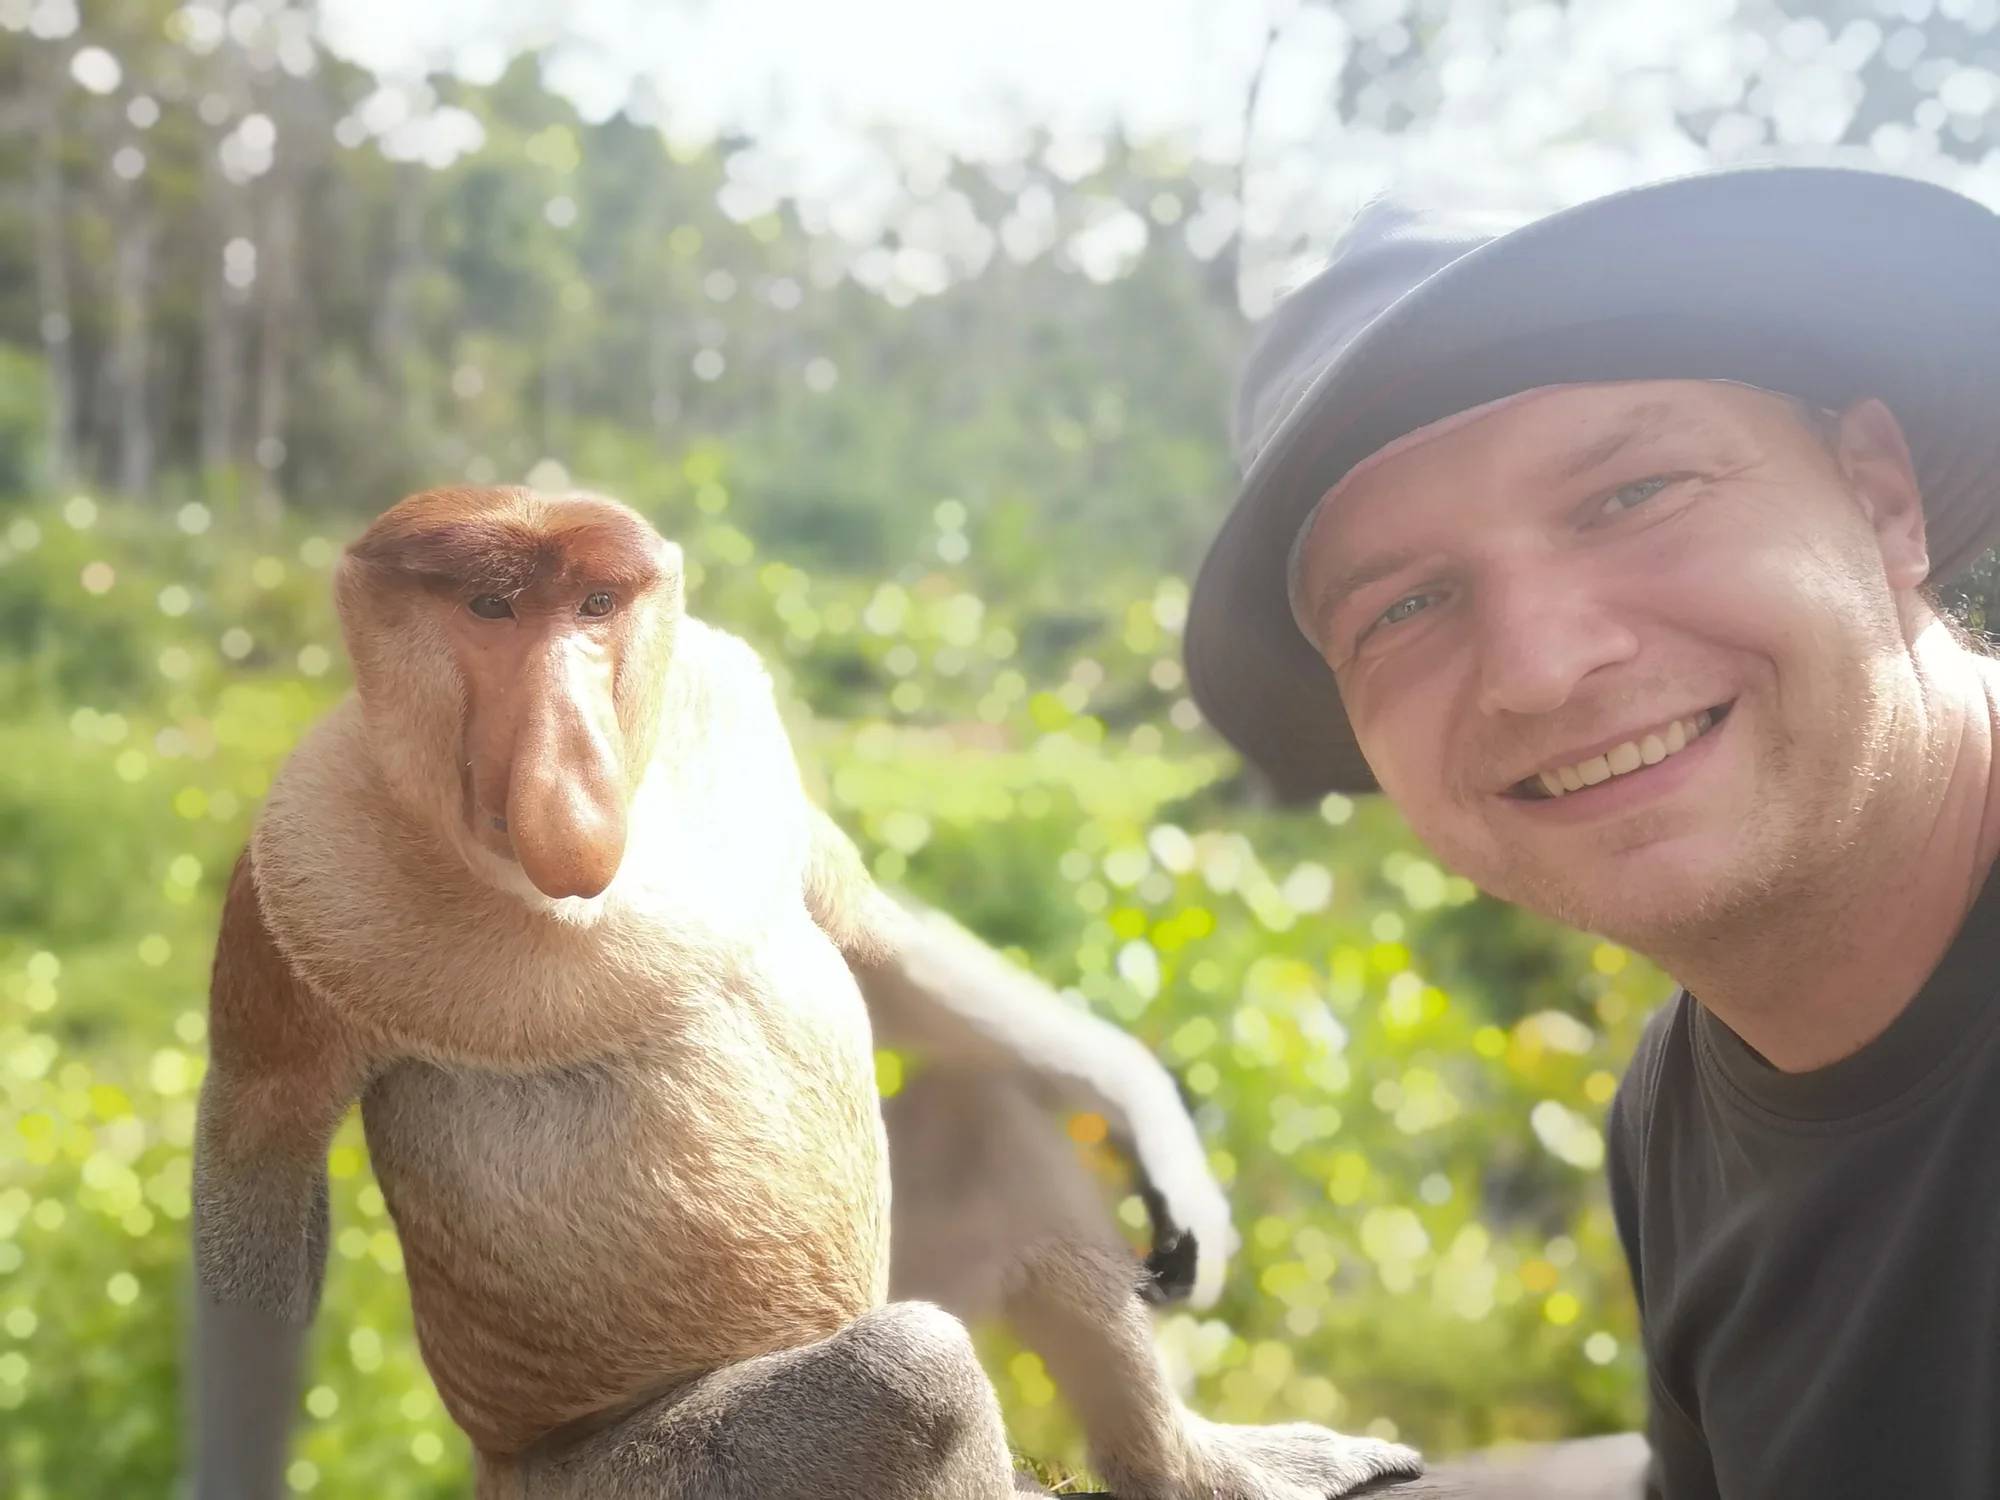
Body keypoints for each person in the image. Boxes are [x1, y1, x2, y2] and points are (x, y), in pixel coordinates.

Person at [1183, 164, 2000, 1500]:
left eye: (1634, 494)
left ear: (1883, 495)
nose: (1540, 667)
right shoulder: (1681, 1106)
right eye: (1404, 606)